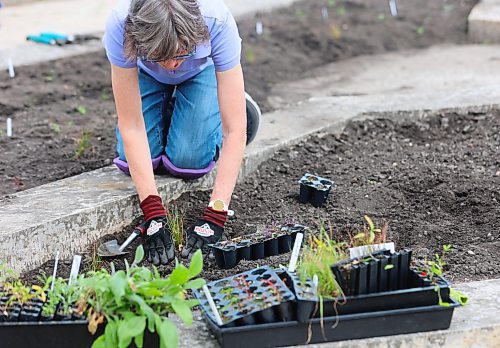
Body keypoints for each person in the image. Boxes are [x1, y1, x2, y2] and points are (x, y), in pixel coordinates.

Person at [103, 0, 261, 265]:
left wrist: (216, 213)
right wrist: (152, 212)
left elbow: (235, 130)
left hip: (200, 71)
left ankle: (222, 99)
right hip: (146, 73)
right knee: (138, 161)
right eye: (162, 57)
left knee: (189, 162)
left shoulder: (216, 21)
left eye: (180, 54)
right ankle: (178, 110)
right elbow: (131, 125)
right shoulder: (121, 24)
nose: (171, 65)